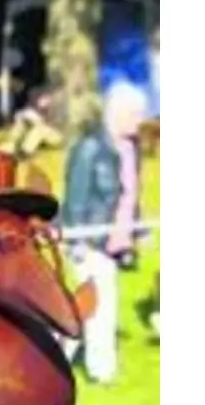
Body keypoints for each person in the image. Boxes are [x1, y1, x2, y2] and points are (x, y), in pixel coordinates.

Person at [60, 81, 147, 385]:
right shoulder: (90, 148)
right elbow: (76, 198)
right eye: (136, 114)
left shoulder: (130, 147)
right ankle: (101, 371)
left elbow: (131, 193)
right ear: (117, 113)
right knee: (100, 306)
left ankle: (57, 358)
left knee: (87, 308)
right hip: (90, 242)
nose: (141, 119)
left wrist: (139, 229)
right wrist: (77, 242)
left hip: (114, 243)